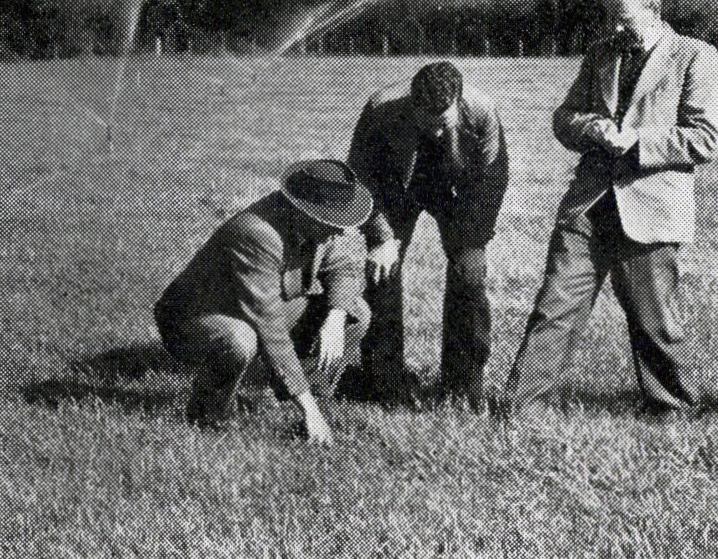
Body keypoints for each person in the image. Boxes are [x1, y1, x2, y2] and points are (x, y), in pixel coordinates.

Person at [504, 0, 718, 413]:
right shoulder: (601, 54)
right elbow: (564, 118)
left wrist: (637, 142)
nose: (614, 28)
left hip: (651, 209)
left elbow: (706, 138)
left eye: (623, 19)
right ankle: (519, 407)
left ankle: (672, 409)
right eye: (609, 18)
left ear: (654, 11)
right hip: (588, 206)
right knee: (554, 305)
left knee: (654, 321)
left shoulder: (695, 56)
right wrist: (594, 128)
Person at [153, 159, 374, 445]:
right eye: (333, 223)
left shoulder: (317, 225)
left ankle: (298, 397)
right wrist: (310, 411)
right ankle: (209, 418)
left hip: (255, 307)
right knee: (240, 339)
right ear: (304, 211)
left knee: (356, 312)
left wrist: (335, 316)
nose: (342, 232)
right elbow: (268, 325)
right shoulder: (257, 233)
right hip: (196, 317)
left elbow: (343, 268)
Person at [348, 61, 509, 410]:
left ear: (460, 102)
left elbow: (492, 181)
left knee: (470, 273)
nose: (436, 133)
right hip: (395, 191)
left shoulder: (483, 111)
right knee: (382, 273)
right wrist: (379, 236)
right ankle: (385, 383)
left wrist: (473, 242)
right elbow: (359, 179)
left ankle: (462, 385)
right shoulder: (380, 109)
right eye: (427, 125)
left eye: (444, 125)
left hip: (457, 190)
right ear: (411, 105)